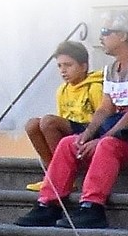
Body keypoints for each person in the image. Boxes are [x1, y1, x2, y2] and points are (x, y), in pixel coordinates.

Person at [15, 13, 128, 230]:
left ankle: (92, 207)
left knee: (106, 145)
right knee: (68, 144)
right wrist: (86, 136)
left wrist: (101, 138)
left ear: (122, 36)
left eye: (105, 32)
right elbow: (105, 109)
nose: (100, 37)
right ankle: (49, 203)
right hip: (127, 136)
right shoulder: (112, 70)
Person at [24, 41, 102, 192]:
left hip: (89, 131)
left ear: (84, 66)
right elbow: (61, 119)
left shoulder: (95, 87)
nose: (63, 71)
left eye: (68, 65)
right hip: (69, 131)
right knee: (32, 124)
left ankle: (65, 176)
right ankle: (53, 175)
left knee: (48, 121)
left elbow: (102, 119)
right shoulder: (62, 90)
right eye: (60, 66)